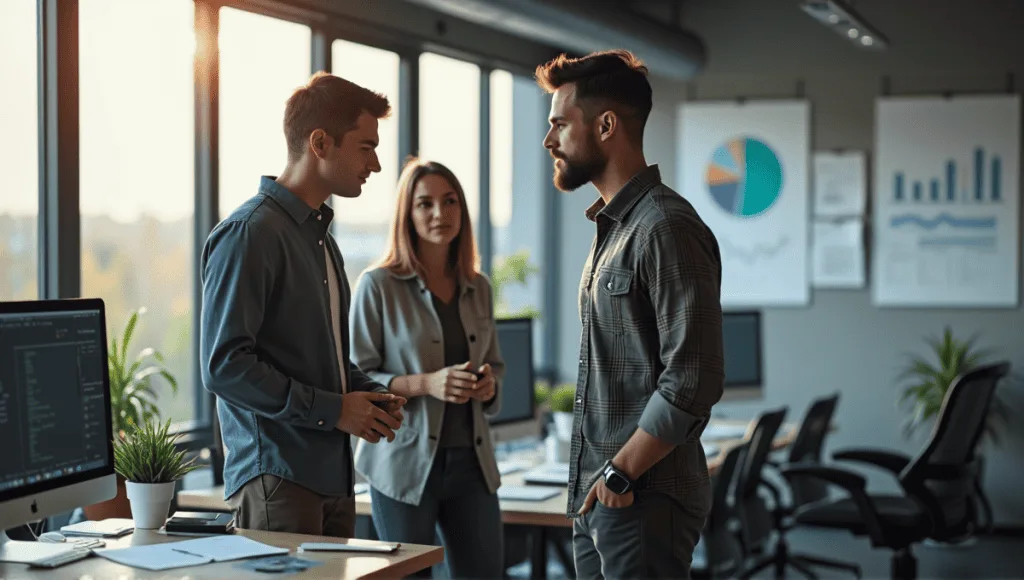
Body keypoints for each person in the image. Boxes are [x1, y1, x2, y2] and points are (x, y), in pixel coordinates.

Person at [536, 49, 725, 578]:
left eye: (559, 125)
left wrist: (621, 472)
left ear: (606, 125)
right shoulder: (614, 230)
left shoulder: (665, 227)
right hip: (601, 498)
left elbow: (693, 377)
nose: (549, 141)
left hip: (642, 497)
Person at [200, 72, 406, 538]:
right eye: (366, 146)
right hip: (278, 478)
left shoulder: (320, 240)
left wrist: (368, 396)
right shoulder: (250, 234)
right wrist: (334, 410)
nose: (374, 164)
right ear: (320, 142)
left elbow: (321, 357)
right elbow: (225, 366)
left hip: (332, 477)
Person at [349, 157, 505, 579]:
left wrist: (488, 386)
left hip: (473, 465)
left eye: (450, 201)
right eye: (425, 204)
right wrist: (427, 384)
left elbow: (495, 366)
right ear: (407, 213)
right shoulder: (376, 286)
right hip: (403, 465)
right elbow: (355, 378)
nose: (440, 213)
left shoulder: (479, 287)